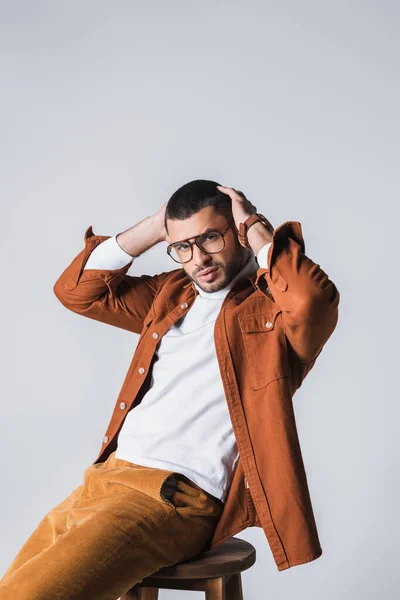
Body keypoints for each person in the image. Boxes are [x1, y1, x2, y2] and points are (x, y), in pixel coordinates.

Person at [0, 179, 340, 598]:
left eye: (210, 239)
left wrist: (254, 224)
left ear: (235, 231)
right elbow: (77, 292)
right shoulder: (170, 292)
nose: (198, 259)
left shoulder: (274, 309)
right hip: (103, 479)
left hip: (173, 499)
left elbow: (312, 300)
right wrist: (154, 226)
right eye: (183, 247)